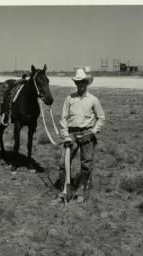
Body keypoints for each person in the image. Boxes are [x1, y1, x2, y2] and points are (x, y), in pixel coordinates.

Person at [53, 67, 105, 204]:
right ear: (75, 84)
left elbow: (101, 118)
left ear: (86, 83)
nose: (80, 85)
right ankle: (64, 192)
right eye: (78, 82)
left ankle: (81, 191)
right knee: (64, 164)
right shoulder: (69, 99)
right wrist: (66, 136)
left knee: (86, 165)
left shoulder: (93, 100)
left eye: (82, 82)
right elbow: (63, 118)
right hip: (72, 135)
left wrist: (93, 132)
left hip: (87, 134)